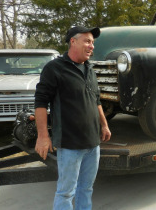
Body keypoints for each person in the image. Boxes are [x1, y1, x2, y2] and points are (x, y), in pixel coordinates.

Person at [34, 26, 111, 210]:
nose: (91, 46)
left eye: (92, 42)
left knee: (86, 189)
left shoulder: (89, 69)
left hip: (93, 144)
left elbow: (96, 99)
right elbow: (41, 102)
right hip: (70, 145)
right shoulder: (54, 68)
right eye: (87, 41)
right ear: (73, 42)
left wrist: (104, 124)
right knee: (66, 192)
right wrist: (43, 136)